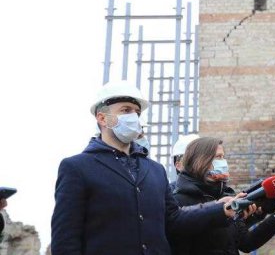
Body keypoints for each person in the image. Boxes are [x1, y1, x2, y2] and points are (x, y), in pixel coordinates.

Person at [51, 80, 252, 255]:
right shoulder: (77, 168)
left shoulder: (155, 171)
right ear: (102, 118)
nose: (133, 116)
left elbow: (174, 219)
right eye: (125, 110)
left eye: (136, 112)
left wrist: (219, 209)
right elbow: (66, 240)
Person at [170, 136, 275, 255]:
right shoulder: (177, 201)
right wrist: (218, 212)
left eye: (223, 157)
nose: (224, 162)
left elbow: (245, 243)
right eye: (219, 157)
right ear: (201, 161)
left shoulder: (227, 196)